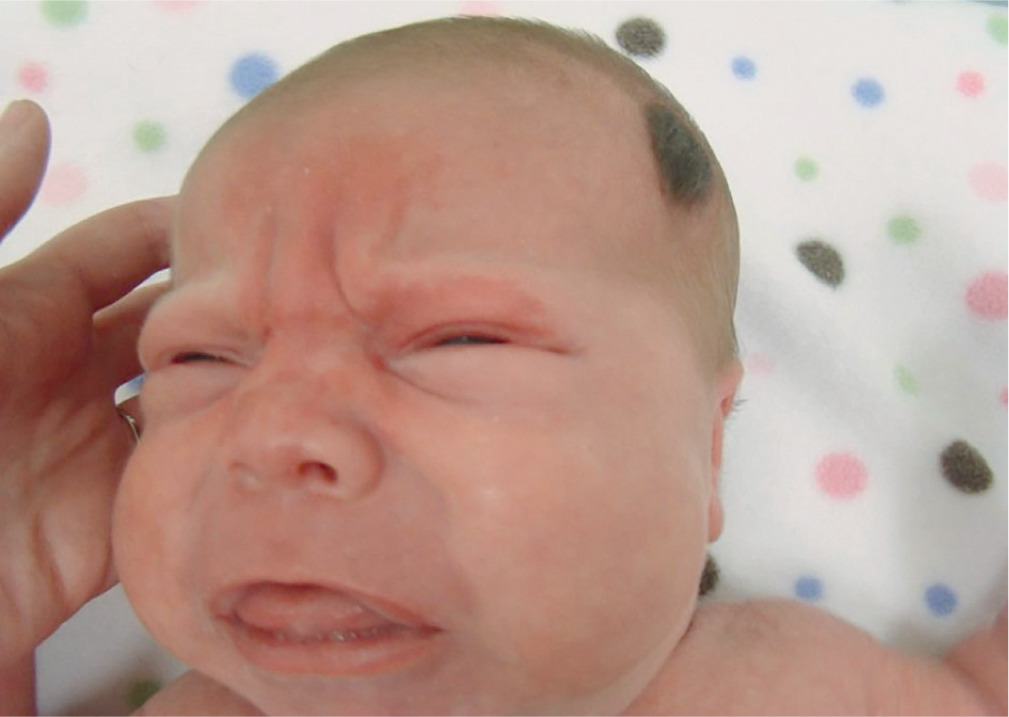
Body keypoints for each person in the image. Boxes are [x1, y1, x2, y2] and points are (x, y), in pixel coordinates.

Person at [2, 16, 1005, 716]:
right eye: (200, 358)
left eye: (457, 340)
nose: (271, 433)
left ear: (707, 445)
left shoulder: (793, 692)